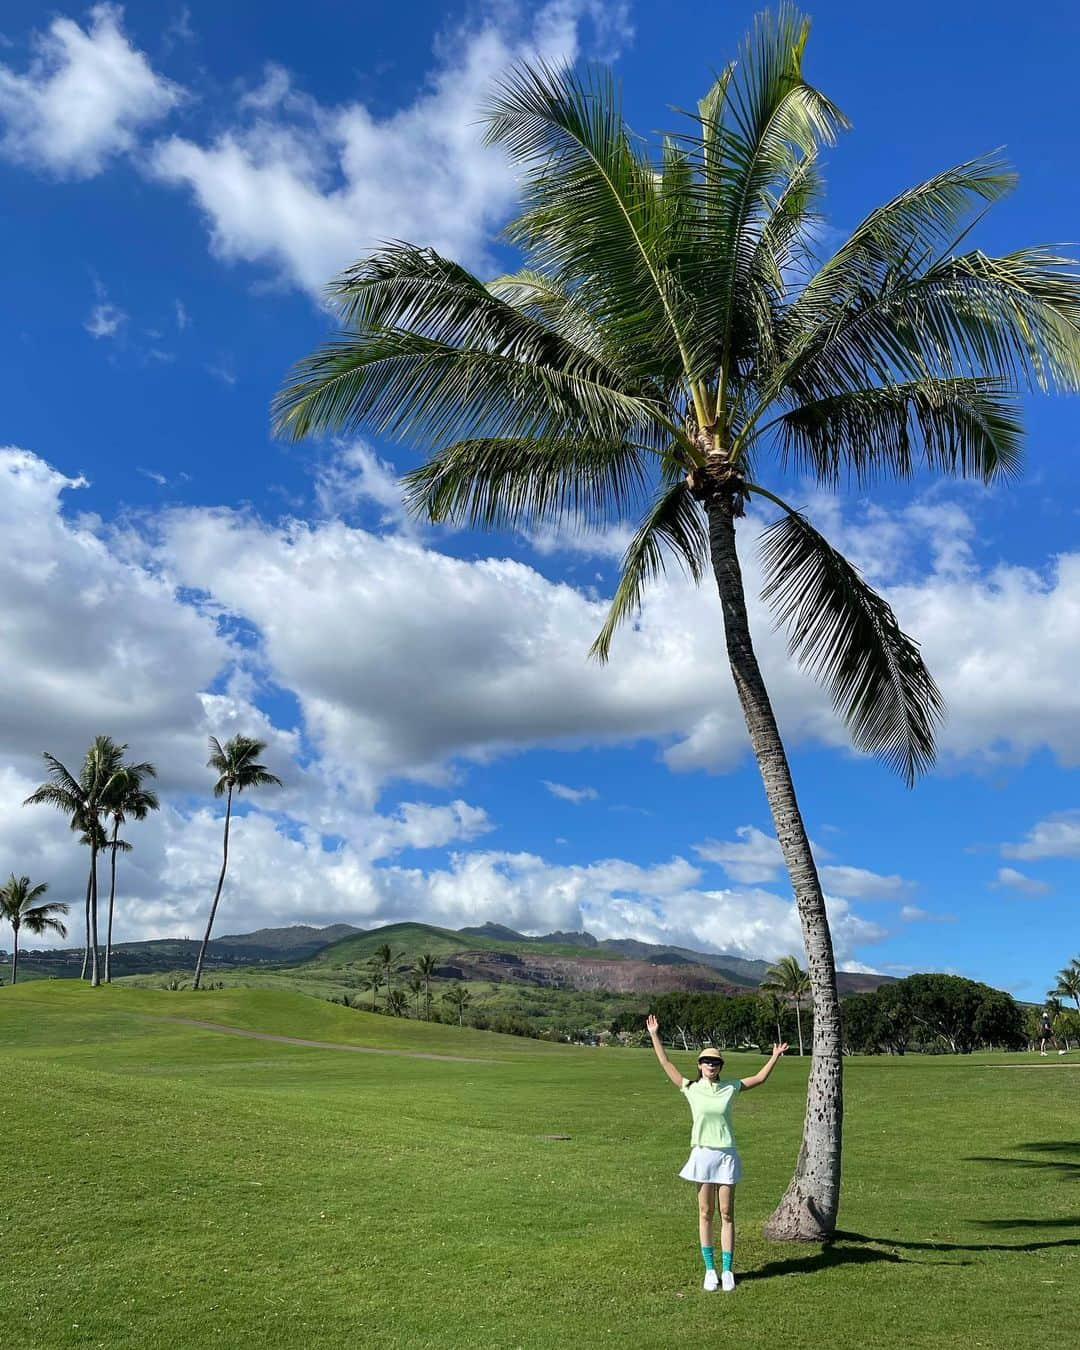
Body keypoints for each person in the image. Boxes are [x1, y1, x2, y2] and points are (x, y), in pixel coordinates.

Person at [646, 1013, 787, 1292]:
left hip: (726, 1155)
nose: (711, 1065)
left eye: (716, 1062)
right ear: (699, 1065)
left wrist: (775, 1056)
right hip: (702, 1155)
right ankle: (710, 1270)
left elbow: (759, 1079)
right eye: (707, 1061)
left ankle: (727, 1270)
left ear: (720, 1066)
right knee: (705, 1212)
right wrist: (654, 1035)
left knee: (727, 1212)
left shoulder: (729, 1088)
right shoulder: (691, 1088)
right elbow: (666, 1063)